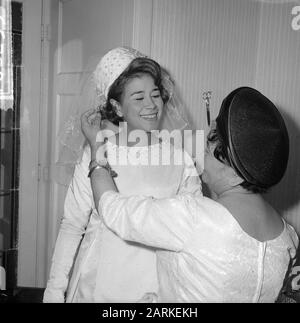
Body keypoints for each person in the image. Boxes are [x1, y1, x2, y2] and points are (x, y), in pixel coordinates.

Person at [82, 86, 299, 302]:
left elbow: (112, 209)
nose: (201, 154)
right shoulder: (288, 236)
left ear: (235, 173)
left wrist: (97, 149)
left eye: (208, 150)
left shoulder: (194, 218)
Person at [43, 47, 201, 303]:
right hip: (97, 286)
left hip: (155, 290)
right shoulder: (96, 154)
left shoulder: (180, 159)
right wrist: (53, 291)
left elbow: (193, 230)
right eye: (138, 98)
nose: (151, 105)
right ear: (117, 107)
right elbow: (72, 225)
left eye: (155, 94)